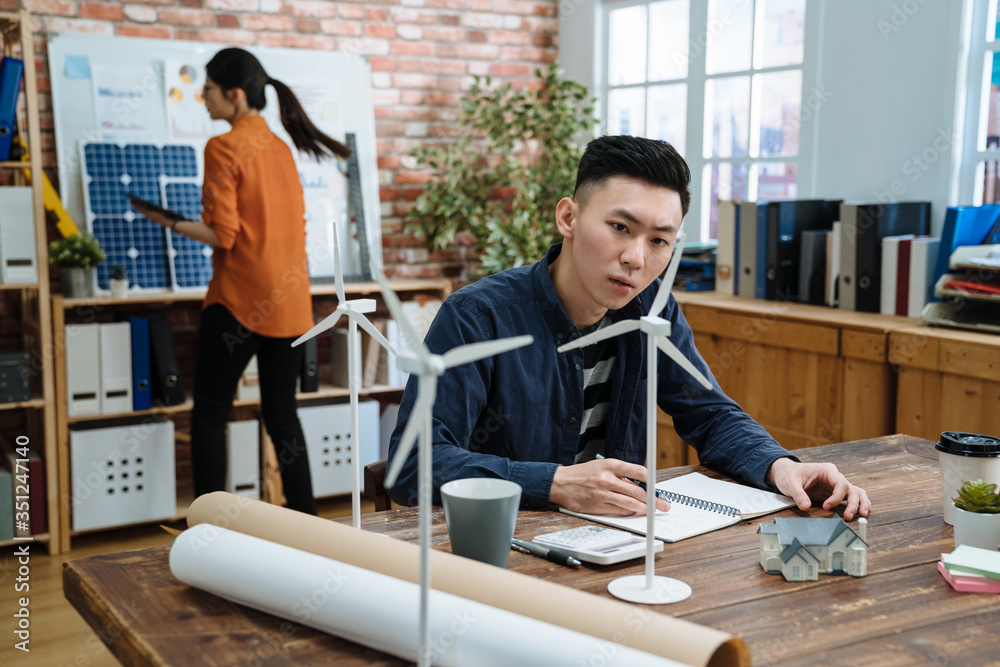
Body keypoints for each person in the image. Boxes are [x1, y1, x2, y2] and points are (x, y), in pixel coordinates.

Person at [387, 135, 871, 521]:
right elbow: (414, 465)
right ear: (568, 217)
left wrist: (782, 466)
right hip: (499, 551)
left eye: (660, 240)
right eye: (620, 227)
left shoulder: (653, 312)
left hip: (620, 546)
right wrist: (554, 482)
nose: (636, 258)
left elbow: (709, 414)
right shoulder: (478, 316)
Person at [134, 48, 352, 514]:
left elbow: (224, 235)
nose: (203, 97)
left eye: (208, 89)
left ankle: (208, 525)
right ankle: (308, 525)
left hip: (237, 304)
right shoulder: (280, 148)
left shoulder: (223, 146)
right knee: (283, 418)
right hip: (291, 307)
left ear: (233, 96)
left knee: (211, 412)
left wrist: (166, 220)